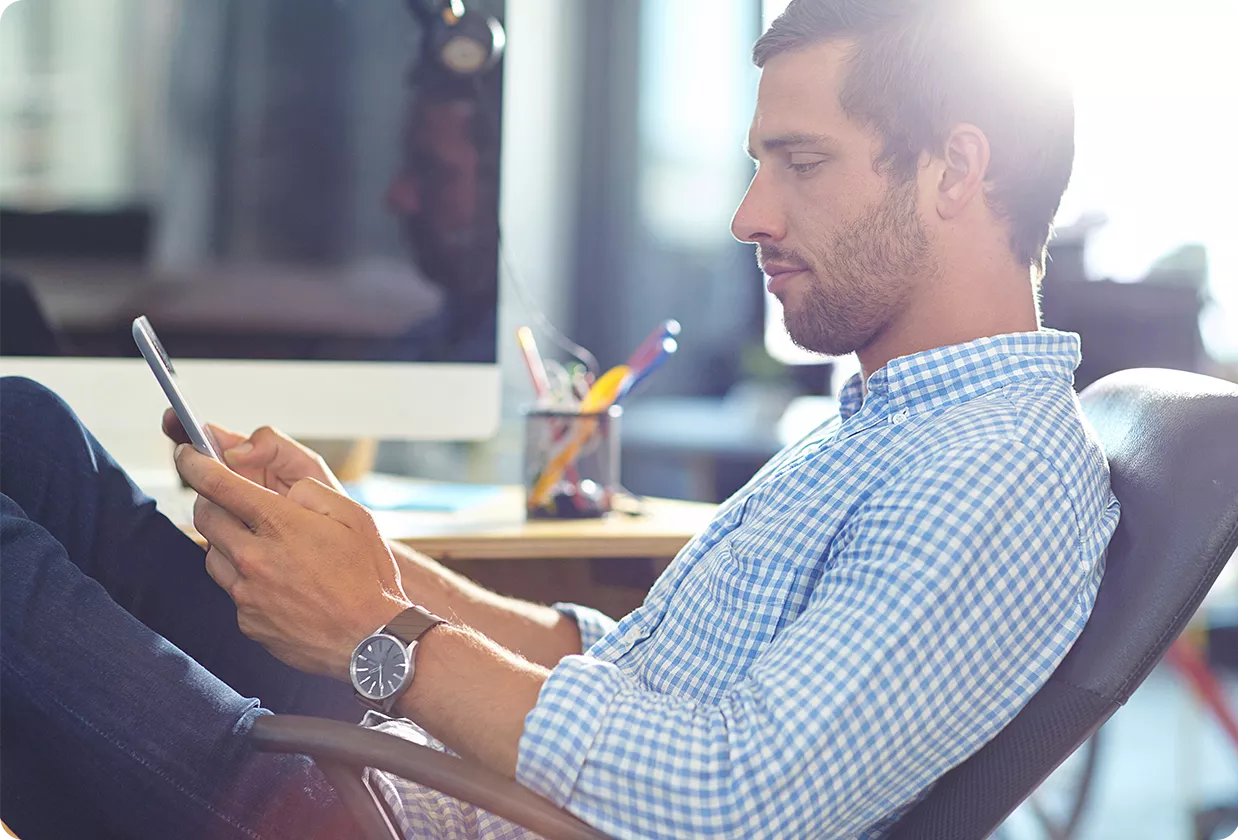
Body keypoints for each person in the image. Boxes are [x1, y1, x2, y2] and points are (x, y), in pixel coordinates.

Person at [0, 0, 1121, 838]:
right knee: (29, 434)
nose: (748, 214)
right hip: (428, 766)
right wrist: (370, 567)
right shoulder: (888, 429)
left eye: (801, 163)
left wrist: (379, 635)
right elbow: (616, 666)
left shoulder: (995, 471)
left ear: (954, 172)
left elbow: (730, 799)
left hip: (385, 816)